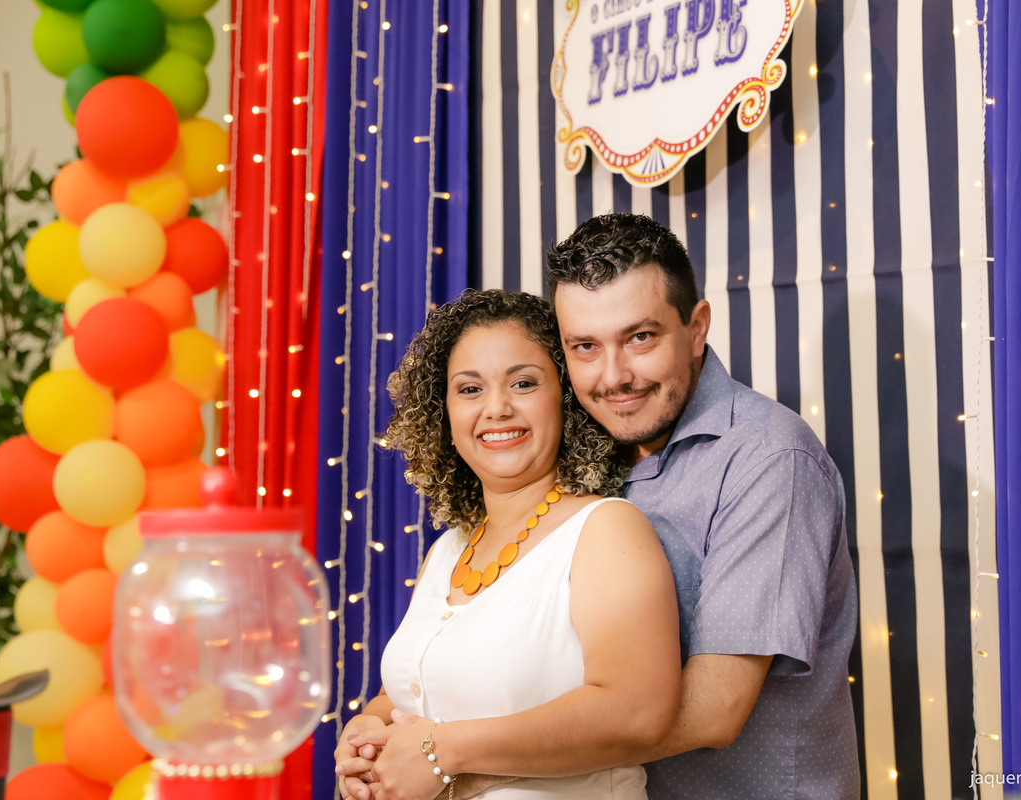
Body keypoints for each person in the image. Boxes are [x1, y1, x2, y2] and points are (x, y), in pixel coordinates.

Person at [547, 213, 860, 799]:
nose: (614, 376)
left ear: (696, 329)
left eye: (640, 338)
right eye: (585, 347)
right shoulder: (576, 456)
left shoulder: (770, 457)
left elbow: (715, 708)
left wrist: (468, 760)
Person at [334, 289, 682, 800]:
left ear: (565, 398)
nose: (496, 408)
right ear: (444, 413)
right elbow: (411, 693)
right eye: (469, 389)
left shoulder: (606, 529)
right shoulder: (446, 551)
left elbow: (637, 713)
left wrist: (441, 751)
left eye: (523, 383)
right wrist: (367, 729)